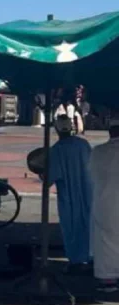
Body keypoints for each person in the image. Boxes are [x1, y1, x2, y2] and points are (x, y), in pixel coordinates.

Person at [48, 115, 93, 270]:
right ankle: (92, 255)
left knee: (72, 227)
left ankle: (76, 260)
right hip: (89, 191)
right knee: (89, 224)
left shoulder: (57, 149)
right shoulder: (83, 144)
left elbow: (50, 177)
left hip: (69, 195)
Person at [90, 119, 119, 292]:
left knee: (105, 240)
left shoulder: (98, 152)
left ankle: (108, 277)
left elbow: (91, 174)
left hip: (105, 202)